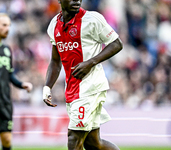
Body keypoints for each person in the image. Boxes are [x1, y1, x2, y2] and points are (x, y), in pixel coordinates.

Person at [43, 0, 123, 149]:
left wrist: (91, 62)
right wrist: (47, 87)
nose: (77, 1)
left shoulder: (92, 19)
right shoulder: (54, 24)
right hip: (73, 89)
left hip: (90, 86)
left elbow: (117, 43)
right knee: (93, 143)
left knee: (74, 139)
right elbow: (55, 60)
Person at [0, 13, 33, 150]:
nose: (8, 28)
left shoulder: (7, 50)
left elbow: (9, 73)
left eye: (9, 25)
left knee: (7, 140)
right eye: (4, 25)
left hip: (4, 101)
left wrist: (21, 84)